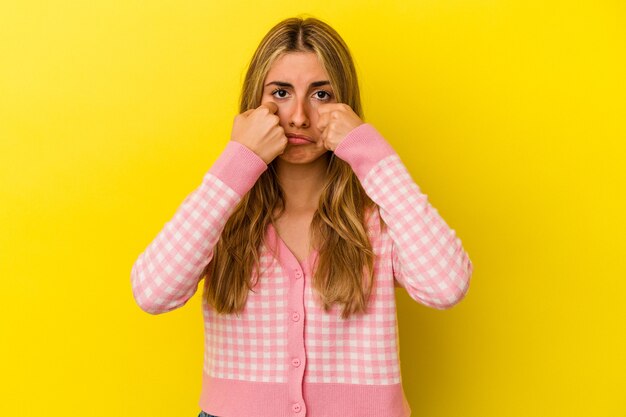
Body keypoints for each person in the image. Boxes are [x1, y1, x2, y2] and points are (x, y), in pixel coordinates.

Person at [130, 15, 473, 417]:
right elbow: (153, 293)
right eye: (280, 92)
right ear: (254, 104)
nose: (298, 117)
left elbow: (447, 286)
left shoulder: (380, 218)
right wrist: (237, 161)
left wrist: (371, 153)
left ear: (345, 104)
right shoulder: (221, 215)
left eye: (321, 95)